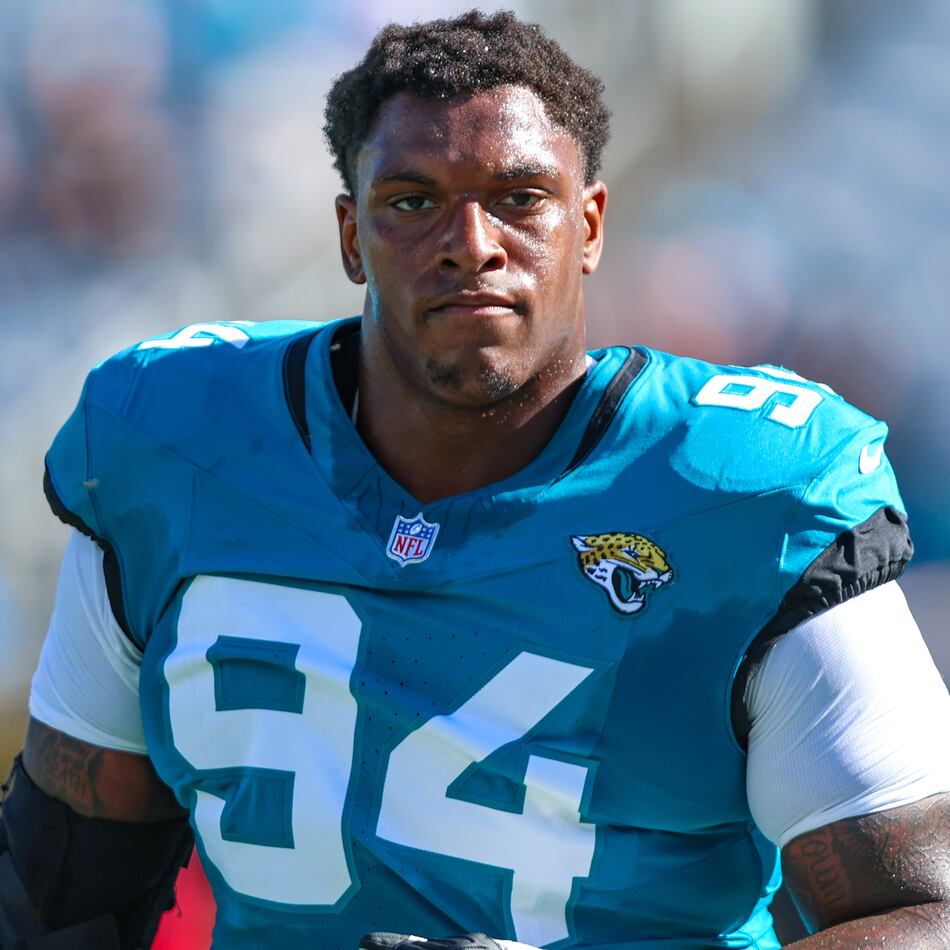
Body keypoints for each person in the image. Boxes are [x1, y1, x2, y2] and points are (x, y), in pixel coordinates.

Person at [2, 9, 949, 950]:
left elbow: (924, 911)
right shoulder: (175, 440)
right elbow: (61, 889)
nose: (470, 242)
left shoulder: (741, 493)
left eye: (520, 197)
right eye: (413, 201)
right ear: (348, 234)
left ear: (590, 225)